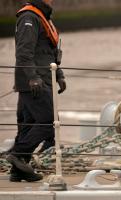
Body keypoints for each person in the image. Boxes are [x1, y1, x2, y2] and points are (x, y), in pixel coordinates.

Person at [6, 0, 66, 182]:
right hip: (33, 81)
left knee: (28, 125)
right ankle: (18, 154)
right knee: (49, 121)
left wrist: (59, 75)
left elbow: (48, 51)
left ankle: (19, 170)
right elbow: (24, 52)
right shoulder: (29, 18)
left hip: (42, 78)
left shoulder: (43, 16)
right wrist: (32, 77)